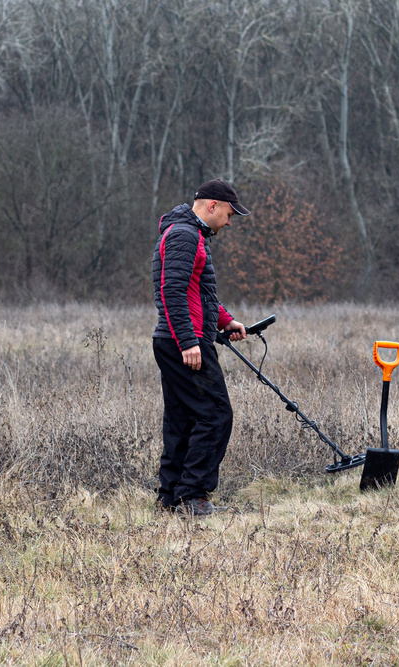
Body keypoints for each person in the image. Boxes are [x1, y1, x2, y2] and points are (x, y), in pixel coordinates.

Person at [152, 179, 249, 516]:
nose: (230, 220)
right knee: (215, 415)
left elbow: (200, 293)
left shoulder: (189, 235)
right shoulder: (184, 235)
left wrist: (224, 321)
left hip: (176, 339)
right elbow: (172, 291)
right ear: (212, 206)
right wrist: (189, 342)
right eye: (229, 213)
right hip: (184, 342)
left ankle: (170, 499)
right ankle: (193, 497)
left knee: (181, 419)